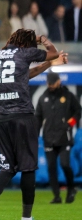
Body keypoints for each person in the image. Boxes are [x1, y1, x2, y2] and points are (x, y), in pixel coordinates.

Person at [0, 28, 67, 220]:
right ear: (26, 43)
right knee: (28, 166)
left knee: (7, 166)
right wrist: (43, 39)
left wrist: (48, 64)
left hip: (1, 118)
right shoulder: (24, 52)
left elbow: (24, 75)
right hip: (21, 116)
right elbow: (52, 51)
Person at [35, 71, 81, 204]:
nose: (50, 85)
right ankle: (57, 196)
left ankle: (71, 188)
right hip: (48, 138)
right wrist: (36, 135)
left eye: (52, 83)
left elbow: (78, 111)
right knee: (51, 167)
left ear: (59, 81)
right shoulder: (43, 98)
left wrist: (70, 124)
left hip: (64, 137)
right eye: (48, 83)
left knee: (65, 164)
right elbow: (38, 118)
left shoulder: (68, 96)